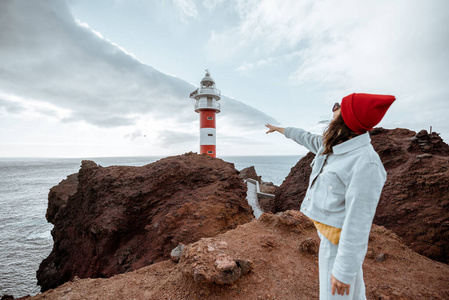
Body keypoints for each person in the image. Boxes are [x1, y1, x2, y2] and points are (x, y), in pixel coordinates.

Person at [265, 93, 395, 299]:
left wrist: (343, 271)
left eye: (338, 106)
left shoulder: (365, 163)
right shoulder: (334, 145)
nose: (333, 108)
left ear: (349, 118)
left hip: (338, 244)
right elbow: (305, 137)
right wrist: (280, 129)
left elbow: (358, 223)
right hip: (328, 236)